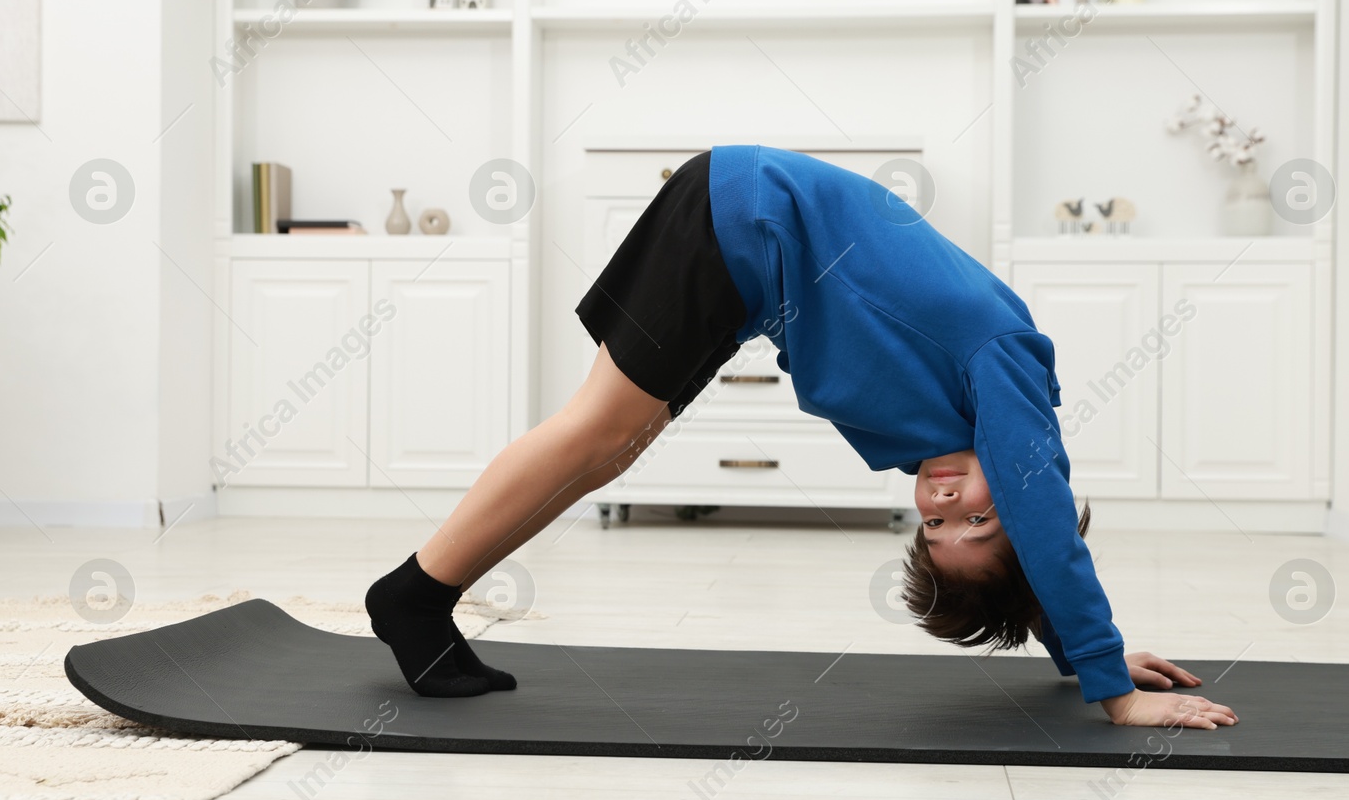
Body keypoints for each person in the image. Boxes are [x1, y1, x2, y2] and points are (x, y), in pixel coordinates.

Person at [365, 146, 1238, 730]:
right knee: (598, 430)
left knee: (613, 449)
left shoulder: (962, 420)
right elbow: (1040, 515)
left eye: (938, 529)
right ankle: (412, 596)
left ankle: (425, 597)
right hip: (739, 221)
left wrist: (1065, 642)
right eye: (976, 517)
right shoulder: (1007, 375)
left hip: (746, 254)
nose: (941, 507)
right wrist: (1109, 686)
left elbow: (1026, 540)